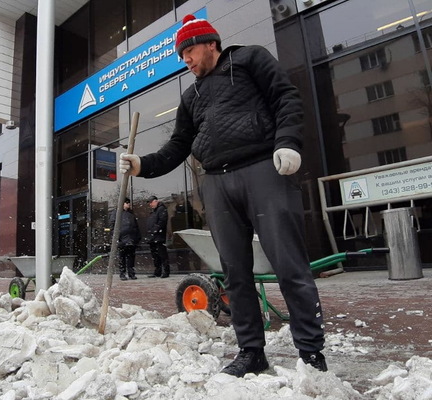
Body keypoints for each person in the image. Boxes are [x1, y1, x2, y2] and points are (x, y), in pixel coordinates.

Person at [119, 15, 327, 376]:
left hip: (264, 168)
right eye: (180, 53)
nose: (185, 59)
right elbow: (177, 147)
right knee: (235, 273)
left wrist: (288, 143)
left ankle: (310, 352)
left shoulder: (250, 59)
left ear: (210, 43)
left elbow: (285, 98)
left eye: (189, 50)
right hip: (216, 182)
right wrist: (142, 165)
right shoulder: (191, 95)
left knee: (289, 266)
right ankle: (251, 351)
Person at [109, 198, 141, 280]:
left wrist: (137, 237)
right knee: (122, 257)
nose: (128, 204)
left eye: (129, 203)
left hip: (131, 239)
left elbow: (135, 226)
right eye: (127, 203)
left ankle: (131, 273)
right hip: (122, 239)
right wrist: (116, 238)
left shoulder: (130, 214)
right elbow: (112, 227)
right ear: (122, 203)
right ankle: (122, 273)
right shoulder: (116, 213)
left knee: (131, 257)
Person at [145, 195, 170, 278]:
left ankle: (165, 271)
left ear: (156, 201)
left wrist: (155, 230)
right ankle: (158, 271)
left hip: (158, 237)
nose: (150, 205)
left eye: (151, 202)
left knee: (162, 255)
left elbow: (162, 222)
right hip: (153, 237)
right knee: (155, 256)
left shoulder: (161, 209)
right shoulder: (154, 211)